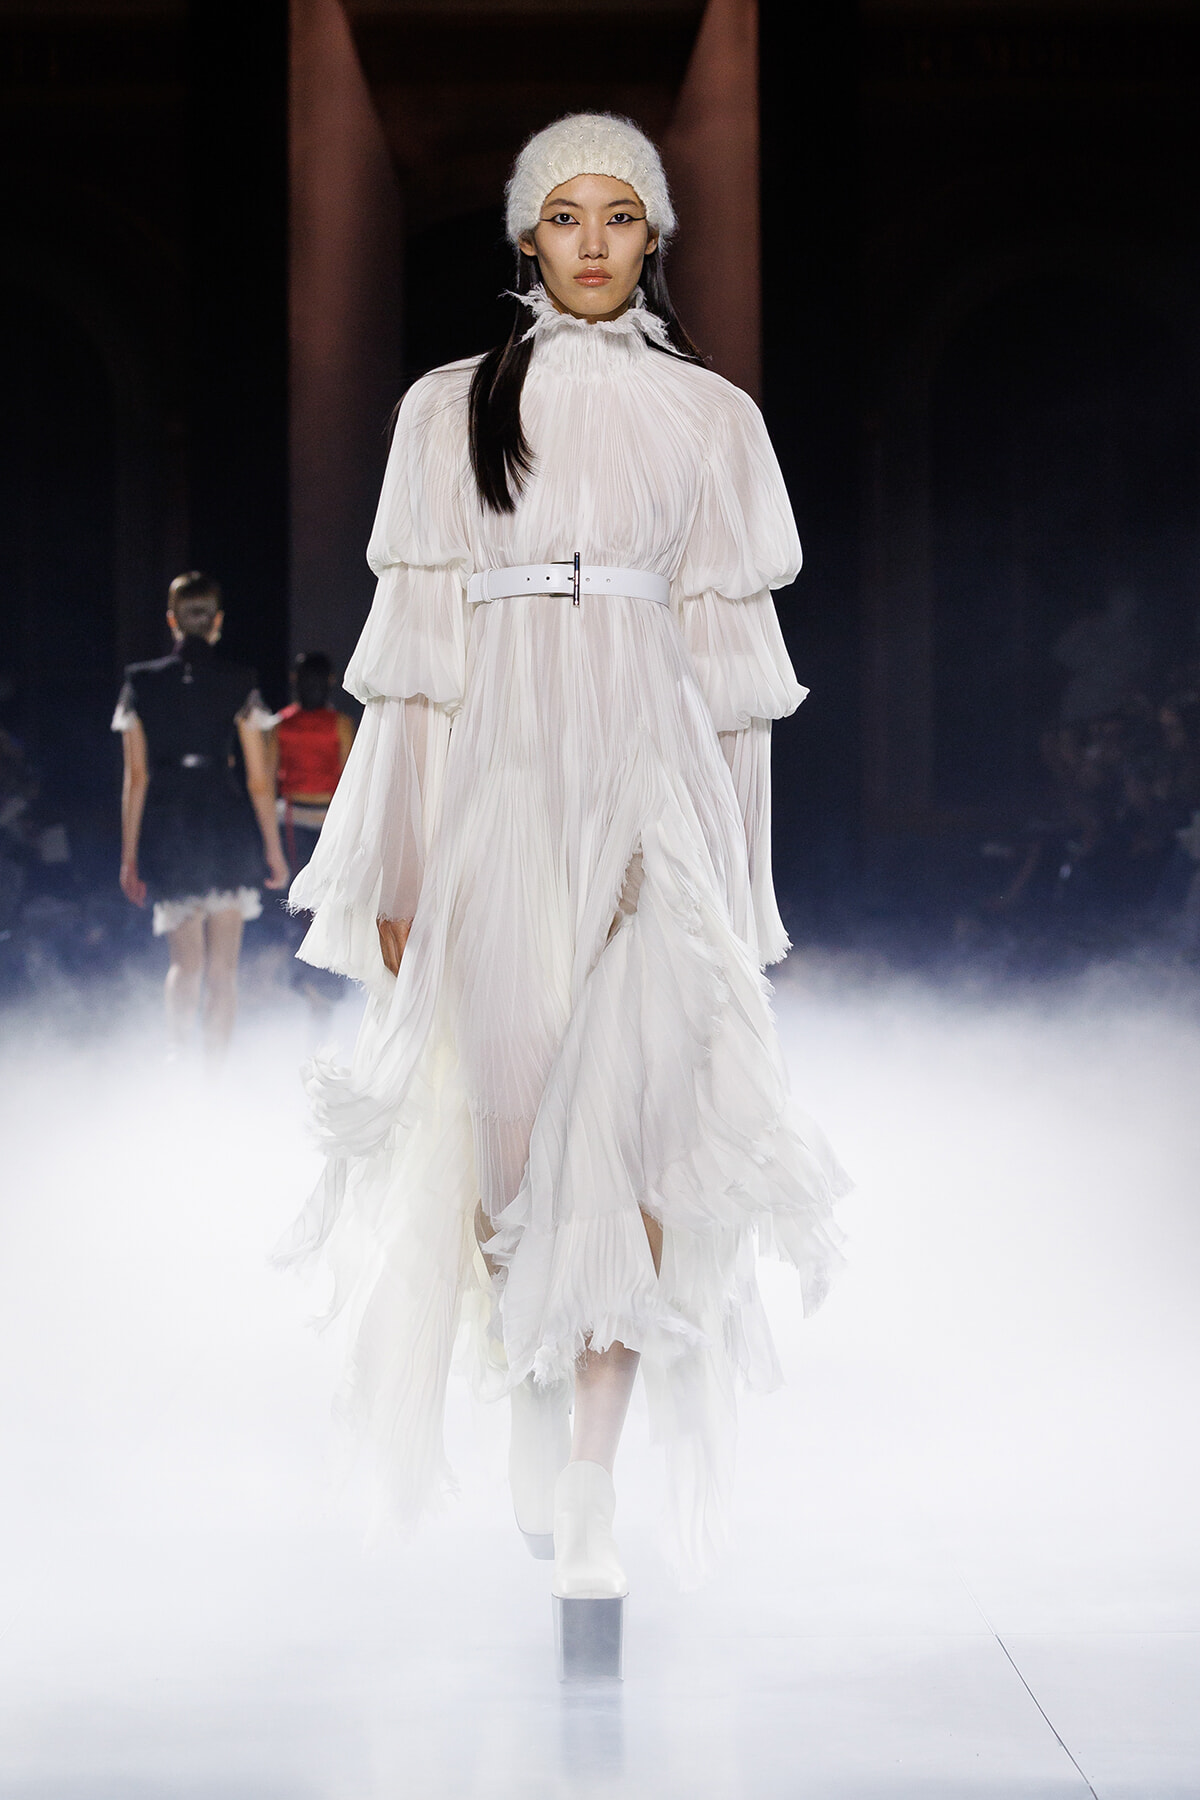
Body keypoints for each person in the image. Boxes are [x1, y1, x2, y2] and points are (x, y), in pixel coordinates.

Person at [279, 115, 848, 1621]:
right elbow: (413, 667)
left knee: (638, 1133)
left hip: (656, 794)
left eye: (620, 215)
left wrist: (738, 881)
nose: (593, 242)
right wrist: (399, 864)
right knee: (516, 1149)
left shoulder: (713, 419)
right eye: (565, 215)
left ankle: (594, 1486)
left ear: (654, 236)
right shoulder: (444, 412)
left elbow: (736, 675)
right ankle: (534, 1383)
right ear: (527, 236)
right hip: (505, 794)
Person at [114, 571, 289, 1059]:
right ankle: (213, 1080)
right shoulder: (239, 681)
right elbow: (259, 780)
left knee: (185, 965)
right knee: (222, 971)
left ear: (172, 620)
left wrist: (129, 857)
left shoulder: (141, 682)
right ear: (217, 621)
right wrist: (273, 850)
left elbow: (136, 778)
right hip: (225, 822)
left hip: (171, 825)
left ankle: (177, 1063)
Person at [271, 652, 355, 1010]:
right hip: (298, 821)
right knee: (304, 905)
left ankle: (322, 987)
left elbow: (351, 779)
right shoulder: (282, 724)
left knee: (322, 905)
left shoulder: (336, 724)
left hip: (324, 823)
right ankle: (310, 986)